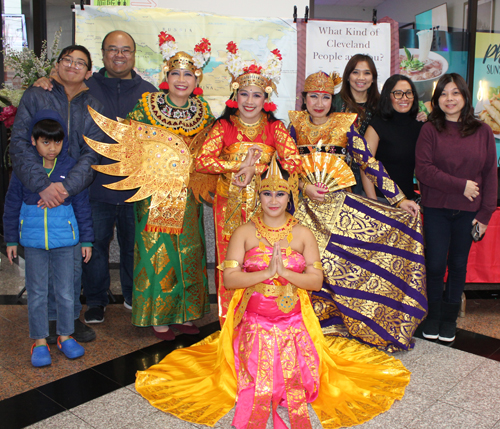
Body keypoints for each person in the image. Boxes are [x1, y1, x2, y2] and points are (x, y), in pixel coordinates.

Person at [134, 156, 411, 429]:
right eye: (267, 194)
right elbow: (230, 280)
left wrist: (286, 274)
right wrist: (265, 274)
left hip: (295, 324)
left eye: (280, 194)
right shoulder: (244, 231)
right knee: (252, 381)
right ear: (260, 196)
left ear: (289, 197)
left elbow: (315, 282)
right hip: (253, 324)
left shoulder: (303, 233)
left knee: (304, 382)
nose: (274, 200)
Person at [289, 71, 427, 352]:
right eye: (313, 96)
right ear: (304, 99)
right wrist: (304, 187)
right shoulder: (293, 126)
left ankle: (348, 324)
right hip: (301, 209)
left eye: (325, 97)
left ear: (333, 100)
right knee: (305, 266)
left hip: (338, 207)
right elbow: (284, 167)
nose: (319, 103)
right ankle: (304, 324)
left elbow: (369, 162)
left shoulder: (344, 126)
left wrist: (399, 199)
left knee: (338, 268)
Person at [93, 32, 214, 340]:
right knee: (160, 252)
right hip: (156, 194)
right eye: (176, 73)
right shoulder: (147, 106)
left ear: (195, 78)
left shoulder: (203, 112)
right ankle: (160, 316)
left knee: (189, 252)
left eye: (188, 74)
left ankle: (186, 313)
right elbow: (131, 146)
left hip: (188, 197)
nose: (182, 79)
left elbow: (211, 152)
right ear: (166, 76)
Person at [34, 30, 157, 324]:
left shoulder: (149, 92)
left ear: (133, 55)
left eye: (125, 50)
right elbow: (57, 88)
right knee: (95, 246)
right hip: (93, 185)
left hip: (135, 186)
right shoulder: (87, 86)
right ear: (102, 55)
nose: (119, 55)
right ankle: (97, 300)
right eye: (112, 49)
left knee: (133, 246)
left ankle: (132, 295)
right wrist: (46, 79)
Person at [195, 42, 301, 325]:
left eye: (256, 95)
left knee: (262, 257)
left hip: (265, 207)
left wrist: (262, 169)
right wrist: (237, 166)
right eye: (244, 94)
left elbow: (293, 162)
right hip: (226, 205)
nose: (250, 101)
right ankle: (229, 320)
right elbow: (202, 161)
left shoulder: (274, 127)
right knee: (230, 261)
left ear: (265, 98)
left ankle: (263, 315)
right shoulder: (223, 127)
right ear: (235, 95)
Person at [10, 45, 104, 344]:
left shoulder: (93, 104)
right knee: (40, 265)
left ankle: (69, 321)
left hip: (73, 192)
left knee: (71, 262)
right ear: (58, 64)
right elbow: (20, 142)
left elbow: (92, 153)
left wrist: (65, 187)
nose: (73, 66)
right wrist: (42, 184)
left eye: (80, 63)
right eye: (67, 60)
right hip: (35, 190)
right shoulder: (37, 94)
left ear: (88, 71)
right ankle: (47, 322)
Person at [4, 110, 93, 367]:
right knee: (38, 292)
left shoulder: (70, 169)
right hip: (33, 244)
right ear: (34, 141)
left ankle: (65, 336)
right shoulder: (25, 170)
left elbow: (83, 206)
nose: (52, 148)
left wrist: (86, 240)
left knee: (66, 292)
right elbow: (11, 204)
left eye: (57, 142)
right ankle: (40, 340)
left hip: (66, 241)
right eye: (45, 142)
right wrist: (11, 240)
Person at [416, 73, 497, 342]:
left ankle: (449, 319)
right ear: (437, 99)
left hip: (469, 213)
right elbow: (424, 171)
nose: (449, 99)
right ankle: (433, 316)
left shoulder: (482, 130)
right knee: (436, 264)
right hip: (437, 208)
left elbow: (490, 174)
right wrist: (460, 185)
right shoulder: (430, 129)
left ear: (464, 96)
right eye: (443, 94)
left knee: (458, 264)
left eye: (455, 93)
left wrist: (485, 214)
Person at [362, 74, 424, 203]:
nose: (404, 98)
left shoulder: (419, 125)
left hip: (409, 201)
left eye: (408, 93)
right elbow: (365, 167)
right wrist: (373, 204)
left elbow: (421, 168)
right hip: (380, 200)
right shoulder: (377, 125)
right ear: (387, 96)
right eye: (398, 93)